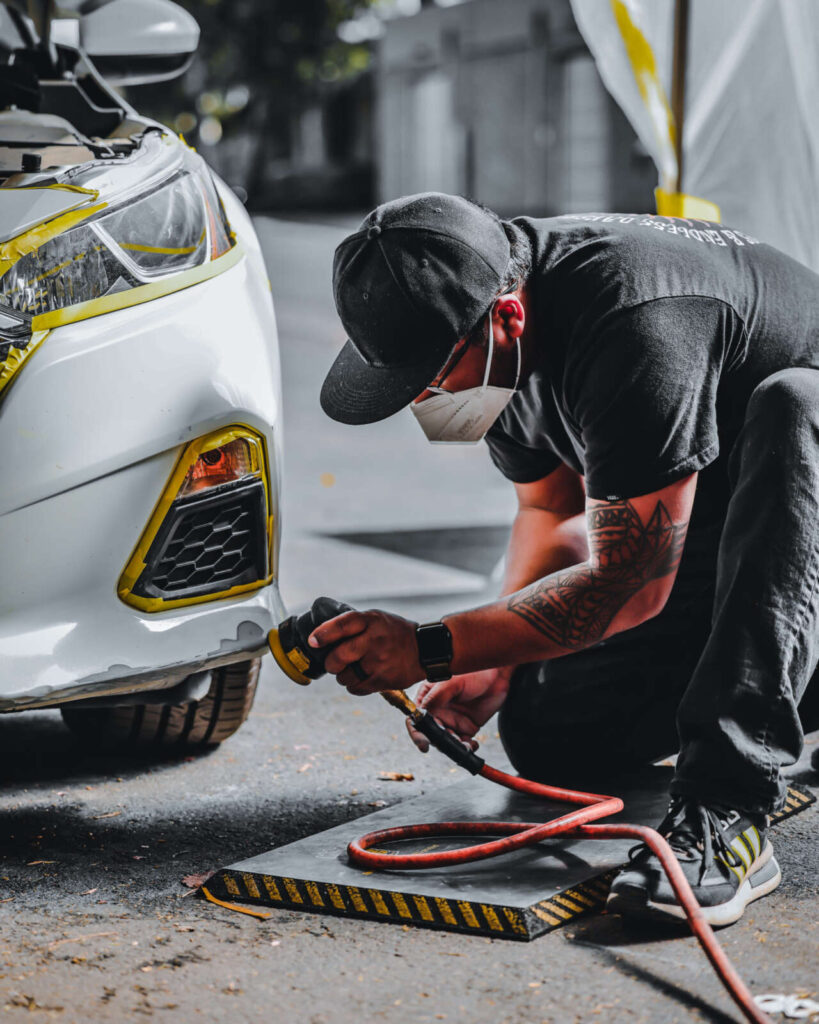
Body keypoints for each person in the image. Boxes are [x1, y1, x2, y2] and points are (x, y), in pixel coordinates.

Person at [310, 192, 819, 926]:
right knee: (555, 729)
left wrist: (428, 646)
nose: (426, 398)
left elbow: (629, 586)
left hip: (799, 521)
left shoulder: (633, 319)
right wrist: (483, 660)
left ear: (506, 319)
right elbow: (552, 515)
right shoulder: (493, 346)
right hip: (735, 546)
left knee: (796, 404)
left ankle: (724, 810)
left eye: (431, 376)